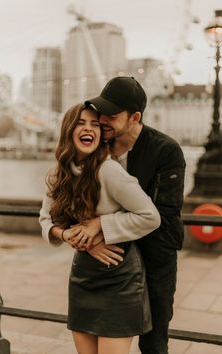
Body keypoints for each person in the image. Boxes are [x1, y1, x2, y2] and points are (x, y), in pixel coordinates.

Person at [39, 103, 161, 354]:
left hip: (120, 277)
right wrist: (68, 235)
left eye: (95, 125)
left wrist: (100, 225)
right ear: (68, 130)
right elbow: (45, 220)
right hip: (83, 274)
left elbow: (150, 216)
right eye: (81, 123)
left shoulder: (109, 170)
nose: (88, 129)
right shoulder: (57, 174)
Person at [83, 76, 186, 354]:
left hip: (155, 261)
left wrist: (100, 225)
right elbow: (73, 201)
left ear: (135, 117)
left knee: (153, 343)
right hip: (109, 258)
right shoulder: (94, 148)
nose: (102, 119)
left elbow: (163, 216)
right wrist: (88, 239)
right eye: (100, 111)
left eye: (111, 115)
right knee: (101, 336)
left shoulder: (166, 150)